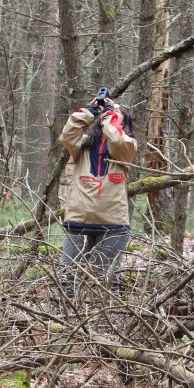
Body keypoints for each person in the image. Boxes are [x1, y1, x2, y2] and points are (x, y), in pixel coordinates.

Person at [58, 97, 138, 296]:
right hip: (78, 221)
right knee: (67, 279)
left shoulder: (127, 148)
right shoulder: (83, 146)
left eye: (116, 112)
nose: (110, 113)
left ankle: (110, 322)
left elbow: (118, 139)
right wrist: (89, 110)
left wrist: (110, 116)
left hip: (113, 225)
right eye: (108, 111)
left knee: (108, 283)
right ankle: (62, 320)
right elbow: (67, 135)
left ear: (124, 122)